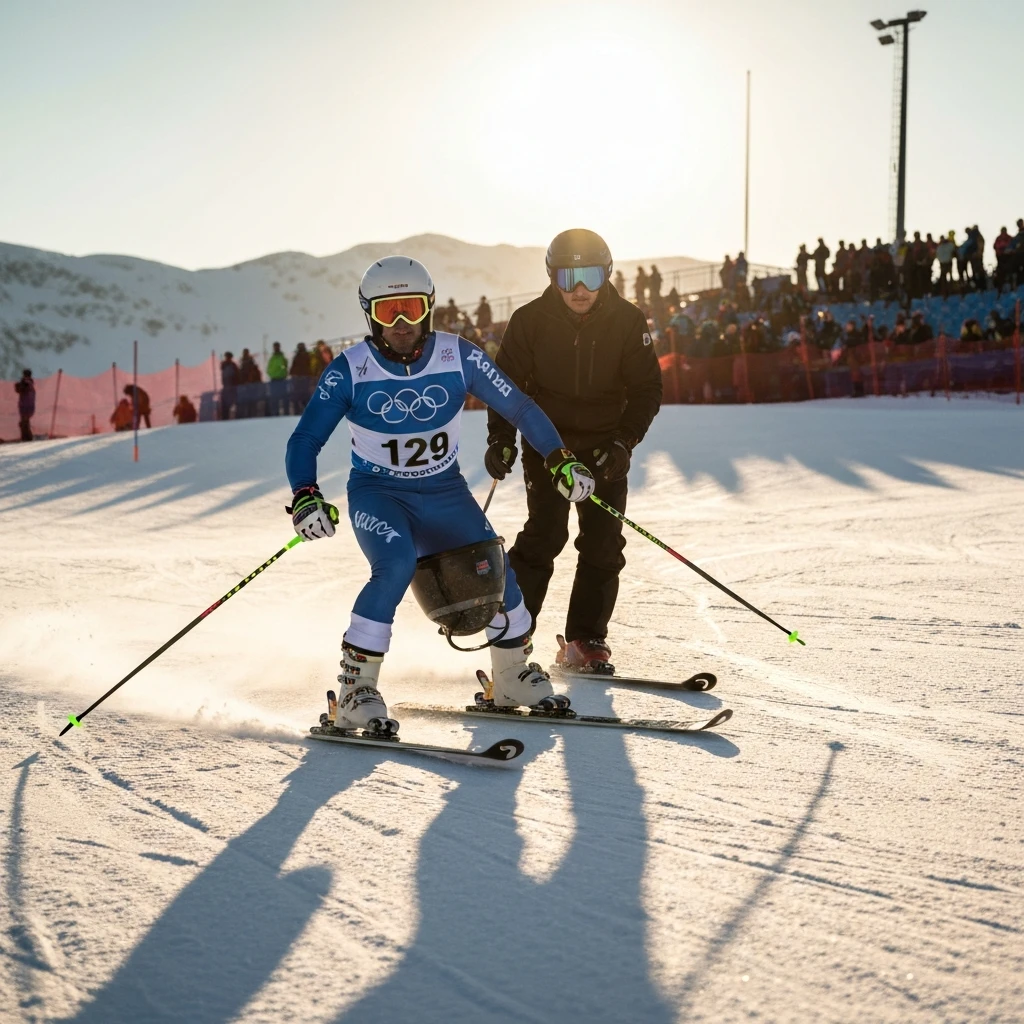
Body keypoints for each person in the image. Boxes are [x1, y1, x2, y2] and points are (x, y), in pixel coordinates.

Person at [284, 255, 596, 734]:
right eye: (390, 312)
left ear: (429, 308)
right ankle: (354, 691)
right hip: (379, 493)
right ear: (370, 314)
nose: (403, 323)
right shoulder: (351, 368)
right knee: (395, 565)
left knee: (496, 568)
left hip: (444, 490)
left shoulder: (458, 355)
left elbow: (520, 406)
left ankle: (511, 675)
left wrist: (559, 457)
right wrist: (306, 495)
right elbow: (305, 439)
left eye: (411, 308)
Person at [484, 228, 663, 673]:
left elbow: (646, 389)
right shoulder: (529, 321)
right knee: (545, 535)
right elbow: (503, 386)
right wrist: (500, 439)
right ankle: (515, 634)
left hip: (605, 448)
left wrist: (624, 442)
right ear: (552, 277)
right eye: (568, 278)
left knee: (603, 543)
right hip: (549, 446)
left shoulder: (627, 319)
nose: (579, 290)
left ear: (606, 274)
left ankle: (585, 638)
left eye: (589, 276)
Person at [266, 341, 289, 415]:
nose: (276, 348)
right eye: (274, 346)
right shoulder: (272, 358)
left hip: (281, 380)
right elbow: (268, 369)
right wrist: (272, 374)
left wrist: (282, 374)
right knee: (274, 398)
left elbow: (285, 367)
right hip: (273, 380)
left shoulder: (282, 357)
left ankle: (286, 413)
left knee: (284, 397)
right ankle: (275, 413)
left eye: (277, 346)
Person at [15, 369, 35, 441]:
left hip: (25, 406)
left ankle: (27, 438)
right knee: (25, 422)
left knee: (24, 422)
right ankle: (27, 437)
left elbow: (19, 390)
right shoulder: (31, 384)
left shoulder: (26, 383)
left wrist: (18, 385)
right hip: (29, 406)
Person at [220, 352, 239, 420]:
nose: (227, 358)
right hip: (226, 388)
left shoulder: (233, 366)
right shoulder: (224, 366)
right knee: (225, 407)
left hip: (231, 388)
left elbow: (237, 377)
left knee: (232, 406)